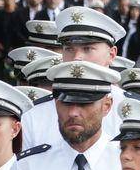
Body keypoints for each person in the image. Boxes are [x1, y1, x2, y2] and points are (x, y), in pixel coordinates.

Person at [20, 8, 128, 150]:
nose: (77, 57)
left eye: (87, 48)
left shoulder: (132, 110)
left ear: (112, 54)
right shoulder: (34, 114)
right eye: (69, 49)